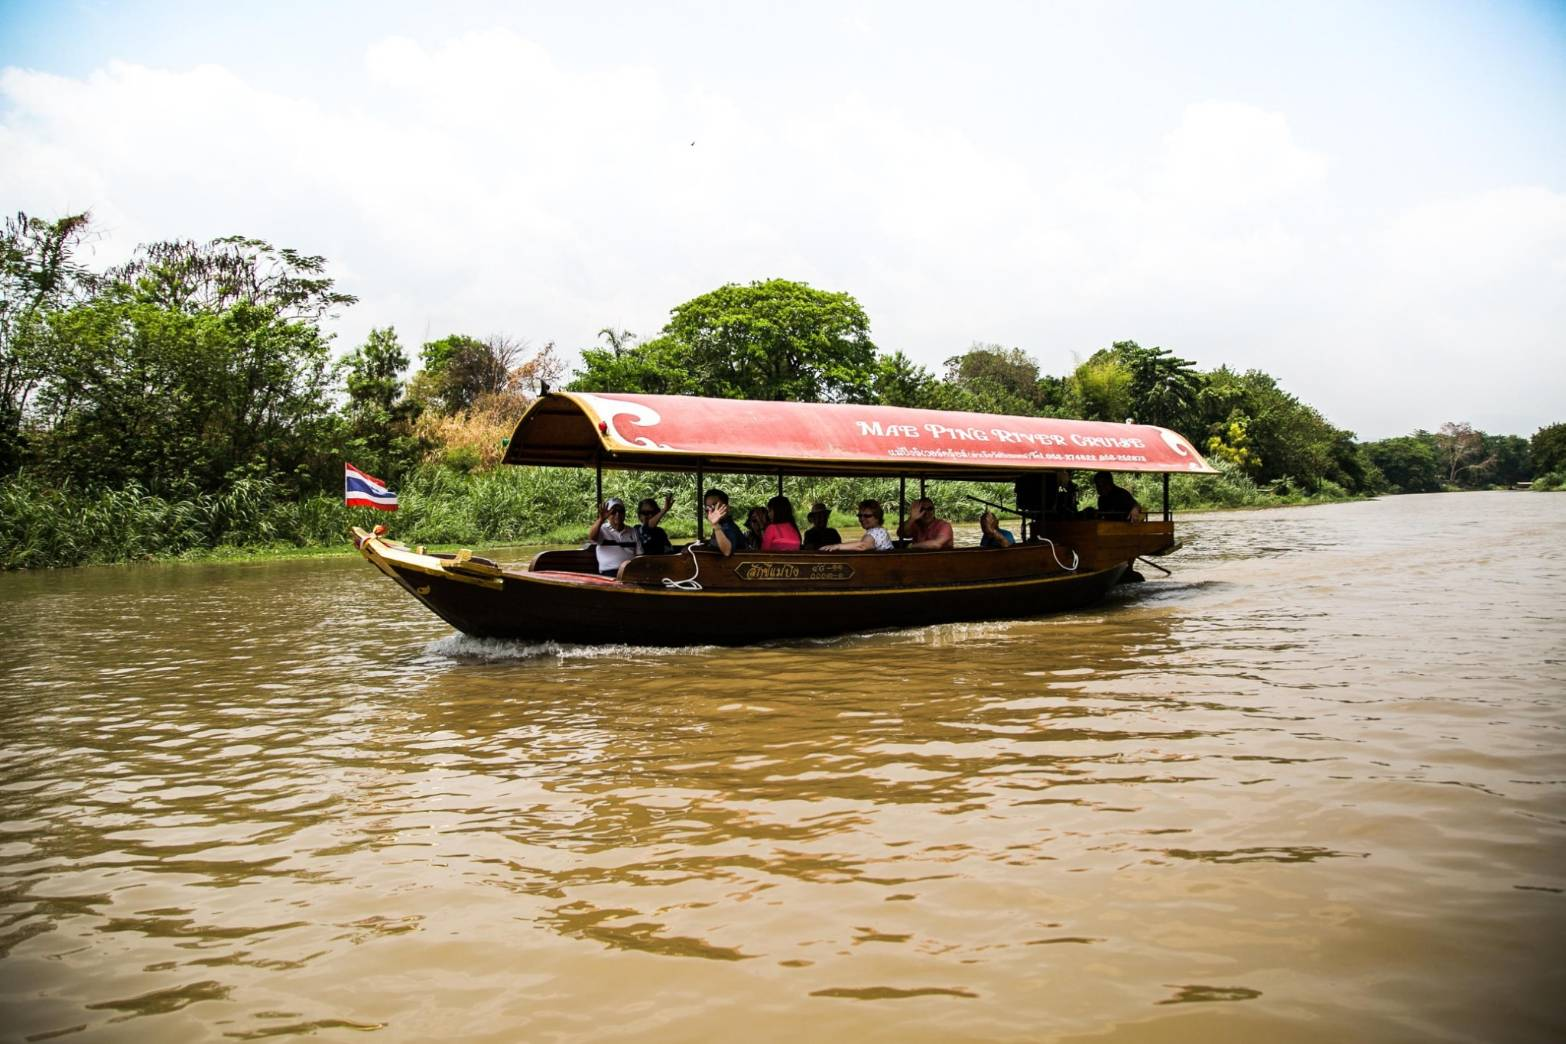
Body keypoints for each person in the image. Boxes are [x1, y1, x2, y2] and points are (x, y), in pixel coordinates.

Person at [589, 497, 640, 576]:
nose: (617, 514)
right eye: (613, 512)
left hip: (630, 572)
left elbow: (639, 555)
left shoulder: (633, 531)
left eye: (620, 511)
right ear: (608, 515)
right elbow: (592, 537)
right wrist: (601, 519)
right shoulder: (602, 529)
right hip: (609, 573)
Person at [821, 499, 894, 552]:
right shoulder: (880, 530)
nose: (862, 519)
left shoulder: (876, 532)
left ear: (877, 517)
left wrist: (838, 546)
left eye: (867, 516)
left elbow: (862, 546)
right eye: (859, 515)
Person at [697, 488, 747, 557]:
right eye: (708, 507)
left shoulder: (729, 527)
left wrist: (715, 525)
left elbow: (727, 551)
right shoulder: (721, 524)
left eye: (715, 506)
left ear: (727, 508)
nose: (711, 511)